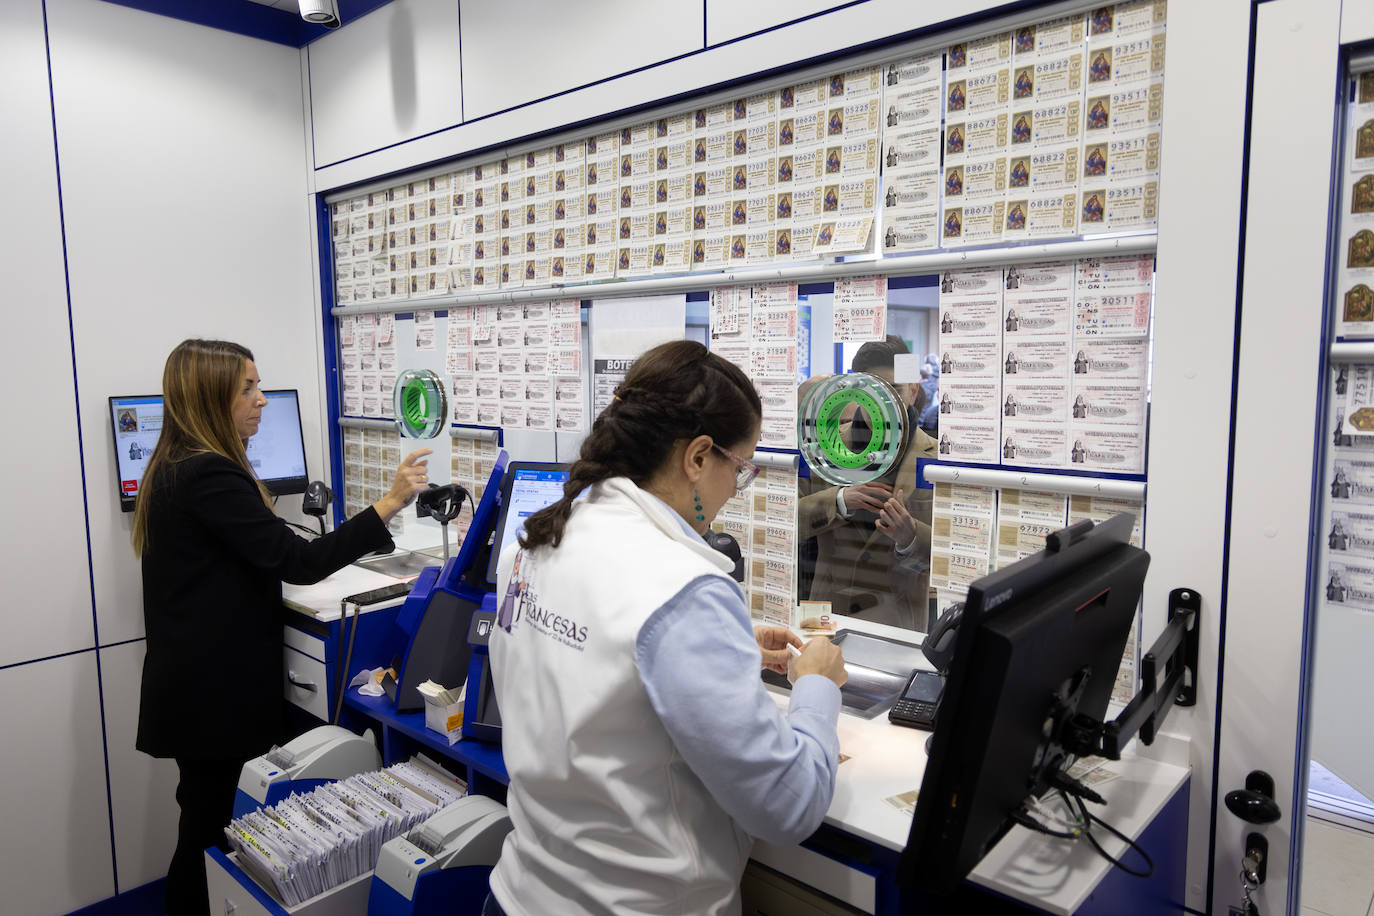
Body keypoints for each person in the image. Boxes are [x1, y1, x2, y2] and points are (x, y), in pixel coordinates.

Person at [487, 341, 846, 916]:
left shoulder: (539, 540)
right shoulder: (681, 589)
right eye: (741, 467)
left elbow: (596, 674)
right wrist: (816, 686)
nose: (736, 487)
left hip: (522, 893)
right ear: (699, 456)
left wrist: (724, 652)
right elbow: (790, 805)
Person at [131, 339, 431, 916]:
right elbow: (298, 562)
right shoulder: (208, 473)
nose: (262, 400)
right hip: (211, 698)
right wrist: (389, 502)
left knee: (203, 818)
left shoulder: (177, 463)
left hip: (192, 690)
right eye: (248, 388)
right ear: (212, 397)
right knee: (210, 831)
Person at [797, 337, 938, 631]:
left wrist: (911, 536)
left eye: (894, 390)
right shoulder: (824, 447)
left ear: (913, 391)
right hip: (825, 612)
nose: (882, 402)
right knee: (815, 676)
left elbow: (957, 551)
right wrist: (839, 501)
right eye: (873, 390)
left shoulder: (938, 457)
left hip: (899, 618)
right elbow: (786, 522)